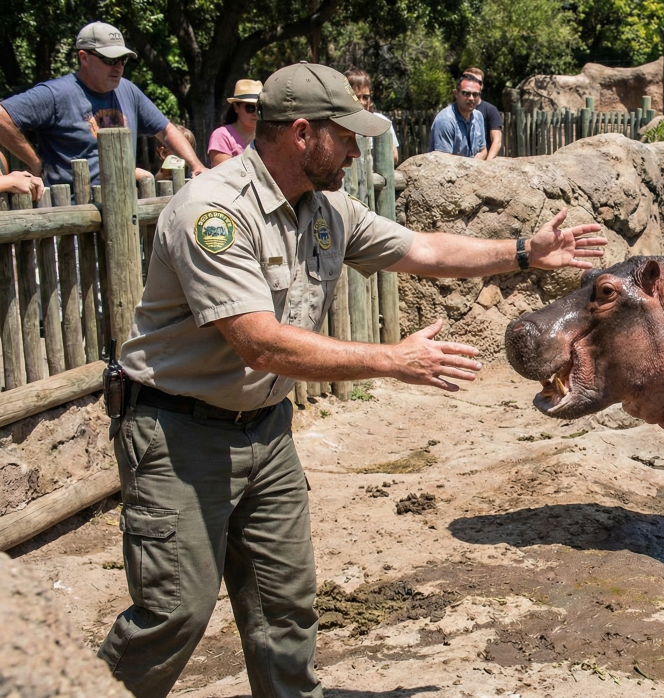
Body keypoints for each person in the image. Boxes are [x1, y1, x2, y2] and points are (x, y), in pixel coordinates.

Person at [95, 62, 604, 698]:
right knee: (174, 613)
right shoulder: (212, 211)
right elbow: (257, 340)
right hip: (177, 435)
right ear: (302, 133)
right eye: (348, 134)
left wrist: (525, 252)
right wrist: (392, 360)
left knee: (286, 606)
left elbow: (422, 250)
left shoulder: (327, 207)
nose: (360, 148)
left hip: (266, 434)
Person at [0, 21, 207, 186]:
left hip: (122, 213)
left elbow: (167, 130)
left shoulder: (128, 91)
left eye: (122, 60)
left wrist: (196, 166)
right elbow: (2, 117)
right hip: (70, 218)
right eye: (109, 59)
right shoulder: (56, 94)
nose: (118, 67)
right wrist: (34, 161)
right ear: (84, 58)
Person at [345, 68, 399, 164]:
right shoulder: (341, 125)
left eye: (365, 97)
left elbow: (394, 157)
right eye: (356, 97)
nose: (362, 102)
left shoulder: (381, 122)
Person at [429, 74, 486, 158]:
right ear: (456, 93)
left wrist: (474, 164)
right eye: (466, 93)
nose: (471, 98)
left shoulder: (478, 116)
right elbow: (443, 159)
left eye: (475, 94)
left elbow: (483, 151)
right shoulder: (446, 120)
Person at [207, 79, 262, 166]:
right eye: (250, 108)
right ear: (236, 107)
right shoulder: (222, 136)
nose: (255, 113)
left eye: (259, 108)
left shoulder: (267, 136)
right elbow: (224, 172)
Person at [461, 67, 504, 160]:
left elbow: (496, 140)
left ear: (482, 86)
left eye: (477, 82)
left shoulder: (490, 110)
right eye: (469, 80)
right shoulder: (452, 112)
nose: (473, 84)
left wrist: (487, 164)